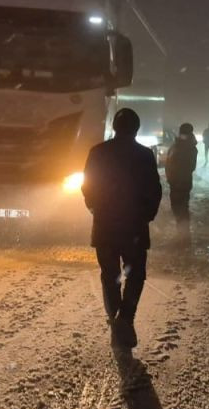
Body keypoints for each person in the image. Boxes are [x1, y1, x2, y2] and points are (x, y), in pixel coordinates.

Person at [82, 108, 163, 348]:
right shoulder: (145, 155)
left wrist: (94, 207)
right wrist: (146, 215)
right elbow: (154, 190)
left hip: (105, 225)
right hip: (134, 227)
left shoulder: (97, 152)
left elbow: (88, 186)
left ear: (115, 128)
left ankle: (115, 317)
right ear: (136, 129)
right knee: (136, 274)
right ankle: (125, 318)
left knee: (110, 275)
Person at [164, 123, 199, 227]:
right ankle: (182, 231)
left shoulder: (185, 147)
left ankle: (183, 233)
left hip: (180, 182)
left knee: (181, 207)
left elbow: (190, 166)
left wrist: (173, 177)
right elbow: (168, 163)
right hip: (178, 182)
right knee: (179, 207)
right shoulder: (179, 146)